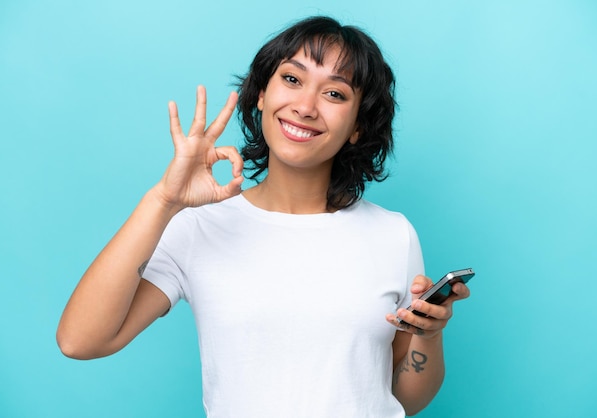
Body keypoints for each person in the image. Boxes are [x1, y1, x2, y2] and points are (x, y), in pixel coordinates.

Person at [57, 15, 470, 417]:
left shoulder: (393, 234)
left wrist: (428, 335)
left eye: (335, 94)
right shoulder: (199, 226)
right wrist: (164, 200)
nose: (305, 107)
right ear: (261, 94)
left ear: (358, 126)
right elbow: (80, 341)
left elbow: (404, 399)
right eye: (292, 79)